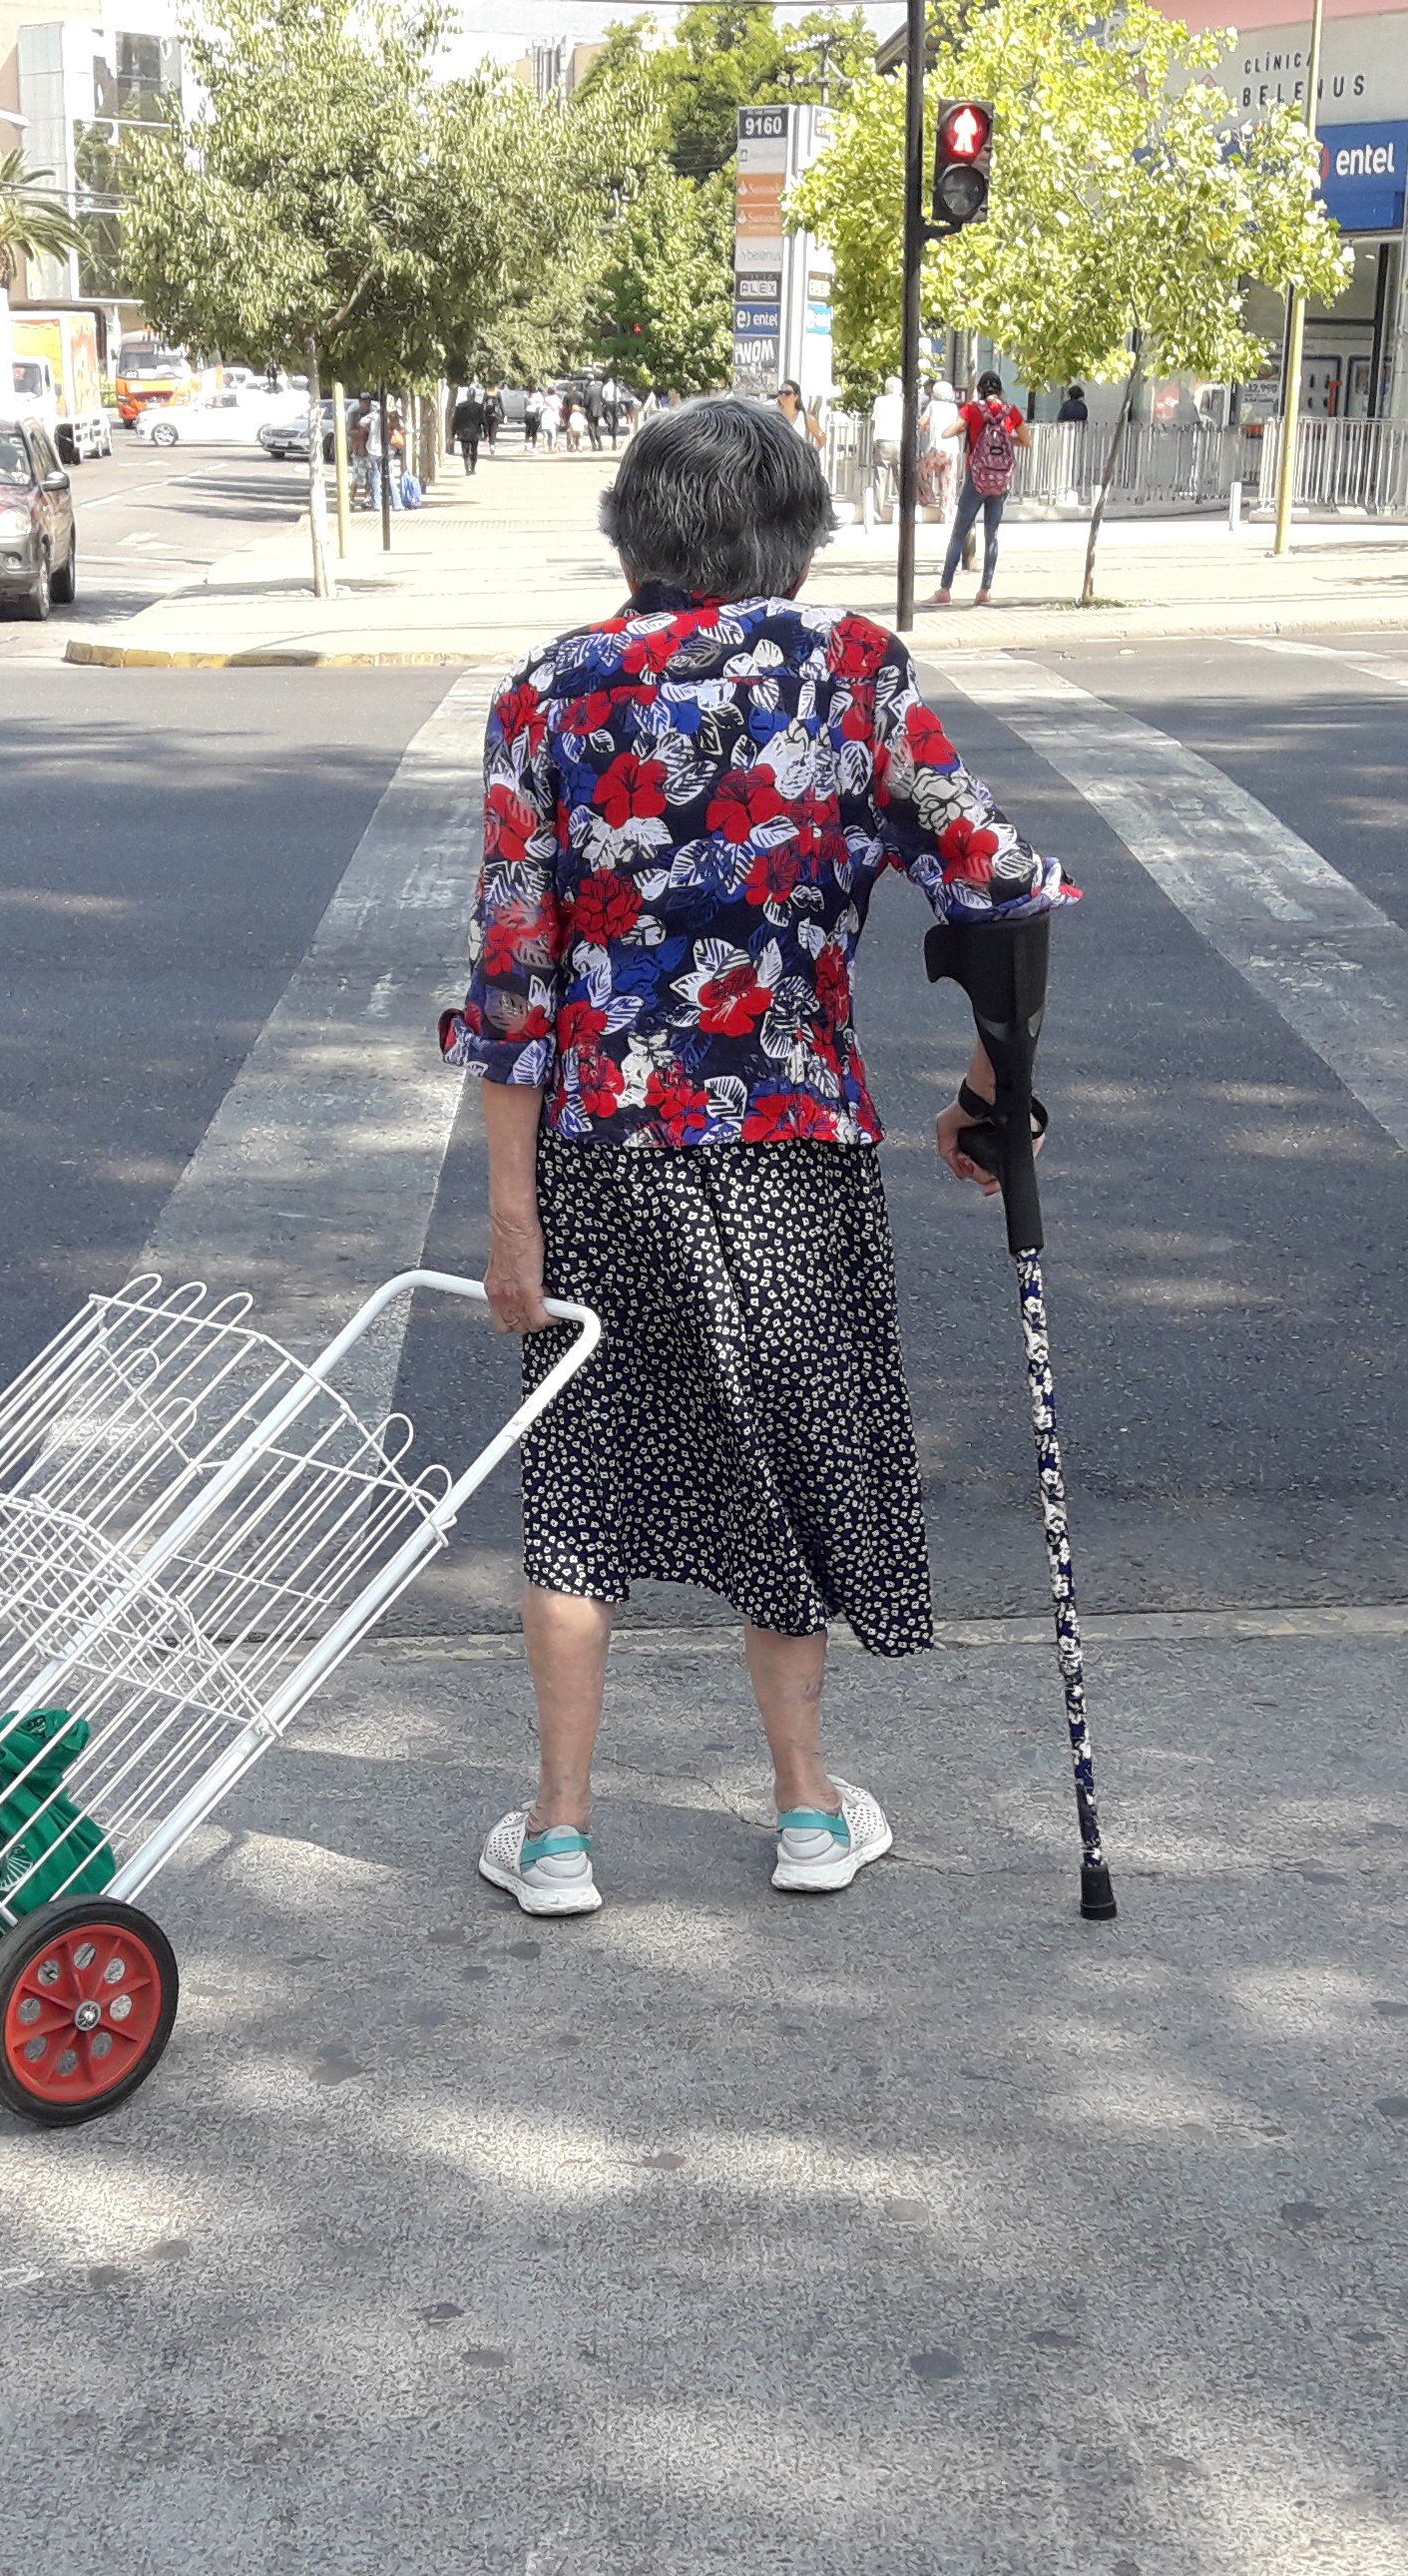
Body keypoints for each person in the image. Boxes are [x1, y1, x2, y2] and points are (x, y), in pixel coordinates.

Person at [440, 397, 1073, 1917]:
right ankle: (803, 1815)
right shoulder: (853, 674)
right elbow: (1000, 889)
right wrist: (994, 1091)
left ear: (632, 526)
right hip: (794, 1148)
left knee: (581, 1476)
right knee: (787, 1474)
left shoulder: (552, 695)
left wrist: (510, 1222)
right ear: (793, 529)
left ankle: (563, 1834)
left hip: (606, 1151)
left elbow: (512, 983)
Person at [939, 367, 1021, 605]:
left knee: (959, 534)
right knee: (992, 535)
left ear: (981, 390)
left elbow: (948, 433)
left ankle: (945, 589)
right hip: (1000, 481)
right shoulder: (1010, 411)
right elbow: (1026, 440)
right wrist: (1006, 437)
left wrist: (960, 429)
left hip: (976, 479)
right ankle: (985, 590)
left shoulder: (972, 409)